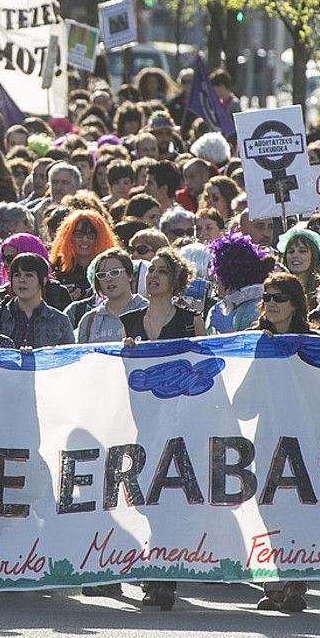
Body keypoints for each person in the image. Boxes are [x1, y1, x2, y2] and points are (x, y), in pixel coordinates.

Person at [120, 247, 205, 612]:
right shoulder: (129, 321)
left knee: (169, 498)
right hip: (140, 423)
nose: (153, 276)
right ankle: (149, 567)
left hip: (179, 423)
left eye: (162, 271)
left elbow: (205, 370)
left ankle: (164, 577)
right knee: (144, 499)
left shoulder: (190, 321)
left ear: (176, 281)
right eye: (150, 270)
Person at [250, 272, 317, 611]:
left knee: (300, 508)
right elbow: (241, 401)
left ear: (295, 304)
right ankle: (273, 577)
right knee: (270, 508)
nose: (271, 304)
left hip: (305, 436)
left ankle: (296, 581)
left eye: (279, 298)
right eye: (267, 297)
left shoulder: (313, 339)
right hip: (267, 436)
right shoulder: (252, 340)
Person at [0, 253, 76, 348]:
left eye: (29, 275)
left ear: (43, 280)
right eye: (17, 275)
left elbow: (69, 358)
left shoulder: (60, 320)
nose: (22, 280)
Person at [207, 232, 275, 334]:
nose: (215, 278)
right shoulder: (224, 307)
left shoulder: (256, 308)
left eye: (217, 272)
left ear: (228, 275)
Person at [76, 249, 147, 343]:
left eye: (115, 272)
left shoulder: (148, 311)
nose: (108, 279)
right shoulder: (89, 320)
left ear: (130, 275)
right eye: (102, 275)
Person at [47, 210, 117, 304]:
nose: (85, 240)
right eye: (79, 234)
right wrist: (64, 300)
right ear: (68, 237)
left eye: (91, 235)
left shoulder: (110, 269)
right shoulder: (56, 269)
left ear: (100, 238)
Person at [277, 226, 320, 297]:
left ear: (314, 256)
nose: (295, 255)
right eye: (291, 251)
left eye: (302, 251)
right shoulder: (277, 288)